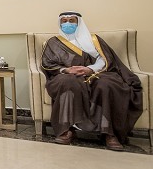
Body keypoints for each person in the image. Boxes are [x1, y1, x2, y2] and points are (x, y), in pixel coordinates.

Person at [40, 11, 143, 151]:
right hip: (67, 75)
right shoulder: (53, 42)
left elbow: (105, 59)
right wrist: (67, 70)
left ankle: (109, 133)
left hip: (96, 73)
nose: (67, 24)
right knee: (68, 83)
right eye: (64, 21)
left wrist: (90, 69)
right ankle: (66, 129)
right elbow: (48, 63)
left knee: (107, 85)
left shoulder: (94, 39)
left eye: (71, 20)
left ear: (79, 23)